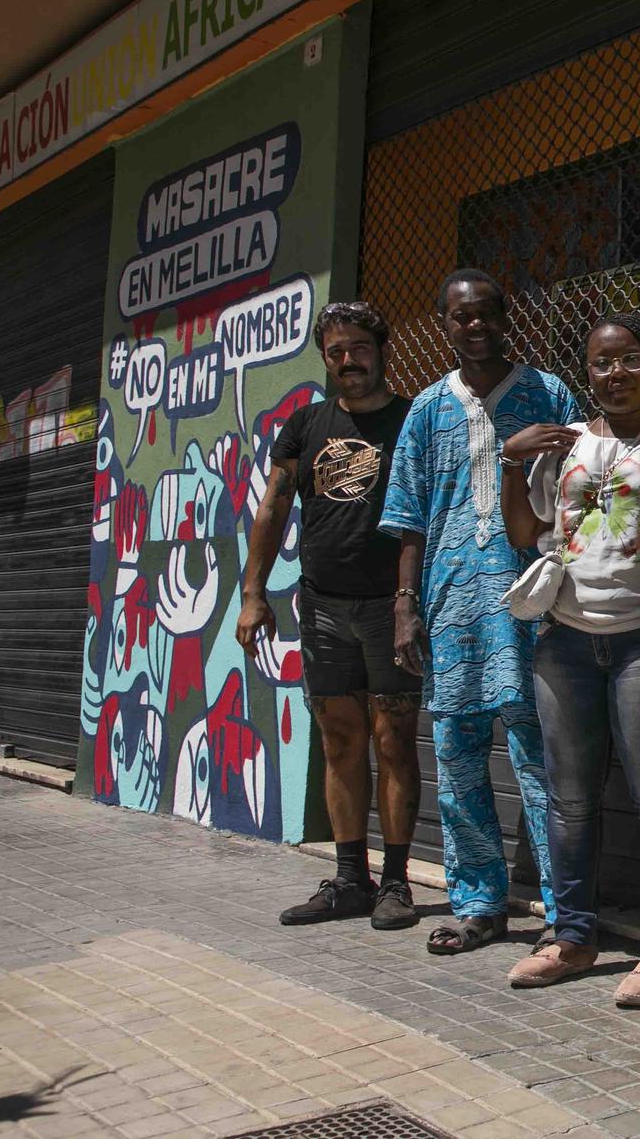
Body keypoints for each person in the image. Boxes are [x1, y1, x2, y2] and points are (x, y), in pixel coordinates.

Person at [497, 315, 640, 1003]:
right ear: (586, 372)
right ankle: (572, 935)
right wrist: (510, 462)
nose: (615, 373)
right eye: (601, 363)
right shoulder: (567, 442)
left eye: (631, 359)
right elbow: (525, 533)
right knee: (570, 797)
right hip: (564, 642)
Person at [380, 268, 582, 956]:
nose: (475, 325)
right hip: (450, 605)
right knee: (459, 757)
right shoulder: (427, 409)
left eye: (486, 312)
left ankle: (563, 908)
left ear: (506, 316)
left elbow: (578, 494)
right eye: (461, 315)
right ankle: (478, 903)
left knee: (539, 757)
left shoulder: (546, 393)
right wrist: (406, 605)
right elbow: (408, 517)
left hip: (529, 605)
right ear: (444, 324)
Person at [242, 301, 422, 932]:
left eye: (359, 348)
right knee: (340, 740)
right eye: (336, 350)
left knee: (393, 739)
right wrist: (252, 592)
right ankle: (351, 878)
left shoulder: (410, 419)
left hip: (388, 608)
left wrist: (411, 603)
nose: (348, 360)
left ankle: (397, 882)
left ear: (381, 349)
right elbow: (272, 508)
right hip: (321, 606)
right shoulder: (305, 425)